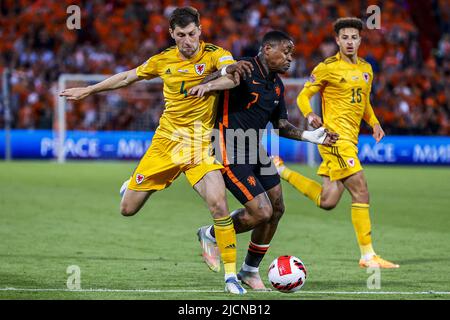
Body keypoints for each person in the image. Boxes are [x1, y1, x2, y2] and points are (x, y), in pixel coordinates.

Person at [59, 6, 255, 294]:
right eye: (181, 35)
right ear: (171, 35)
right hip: (165, 144)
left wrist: (212, 83)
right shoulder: (163, 61)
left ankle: (230, 277)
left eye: (191, 34)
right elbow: (127, 78)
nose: (188, 41)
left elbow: (232, 75)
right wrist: (88, 90)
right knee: (128, 209)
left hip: (198, 145)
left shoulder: (215, 53)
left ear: (200, 30)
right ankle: (133, 185)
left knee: (219, 204)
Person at [188, 30, 339, 290]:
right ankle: (211, 234)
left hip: (255, 149)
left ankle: (249, 269)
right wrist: (224, 72)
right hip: (228, 147)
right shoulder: (243, 69)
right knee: (261, 211)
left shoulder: (276, 85)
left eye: (292, 52)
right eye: (286, 51)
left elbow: (280, 125)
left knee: (277, 208)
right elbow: (207, 81)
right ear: (267, 49)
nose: (291, 57)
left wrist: (310, 136)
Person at [272, 18, 399, 268]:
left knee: (328, 201)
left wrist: (374, 122)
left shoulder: (366, 69)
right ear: (337, 40)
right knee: (361, 189)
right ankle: (368, 256)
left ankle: (281, 170)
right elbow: (303, 97)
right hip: (335, 139)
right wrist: (310, 115)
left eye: (354, 37)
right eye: (345, 38)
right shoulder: (326, 67)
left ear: (360, 40)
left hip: (351, 139)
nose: (349, 42)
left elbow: (364, 103)